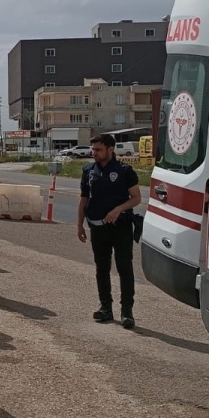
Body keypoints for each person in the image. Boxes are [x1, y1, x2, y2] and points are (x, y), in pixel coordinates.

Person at [77, 133, 142, 329]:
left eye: (98, 150)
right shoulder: (88, 171)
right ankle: (106, 307)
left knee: (124, 268)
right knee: (102, 269)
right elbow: (83, 200)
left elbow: (136, 198)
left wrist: (118, 209)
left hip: (121, 228)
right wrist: (79, 225)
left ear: (110, 150)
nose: (93, 153)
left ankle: (127, 312)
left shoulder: (124, 171)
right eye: (93, 149)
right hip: (97, 228)